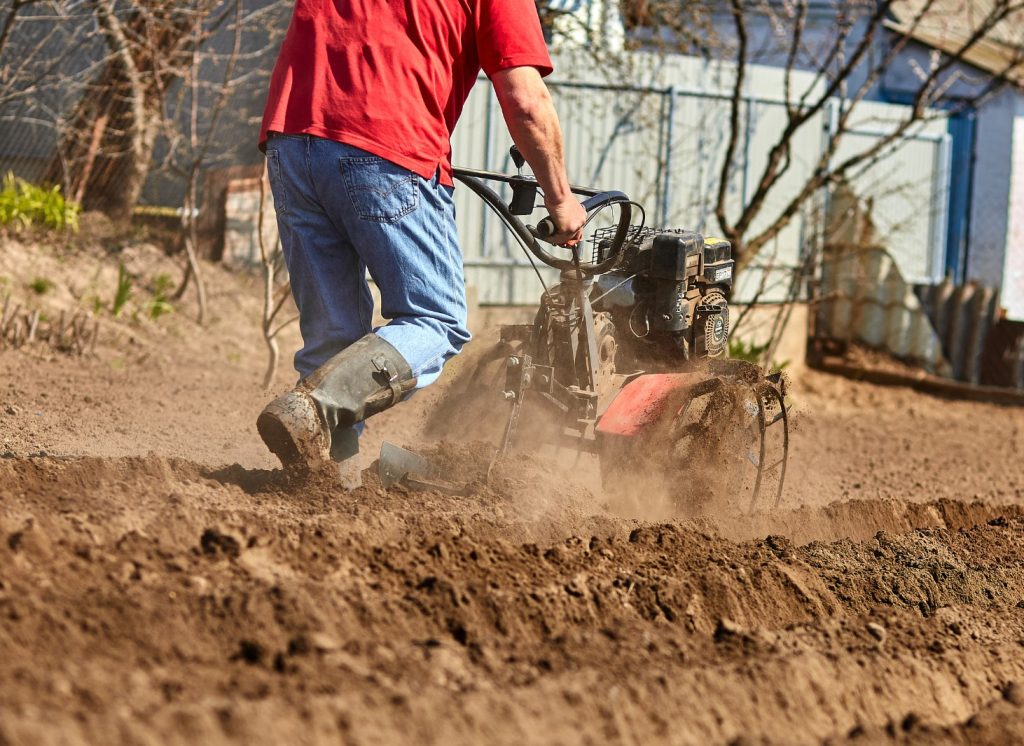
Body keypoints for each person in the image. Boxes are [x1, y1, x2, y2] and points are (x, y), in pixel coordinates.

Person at [256, 0, 586, 484]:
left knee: (333, 334)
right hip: (387, 142)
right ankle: (316, 408)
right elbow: (526, 100)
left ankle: (326, 483)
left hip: (289, 138)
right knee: (437, 321)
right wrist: (560, 198)